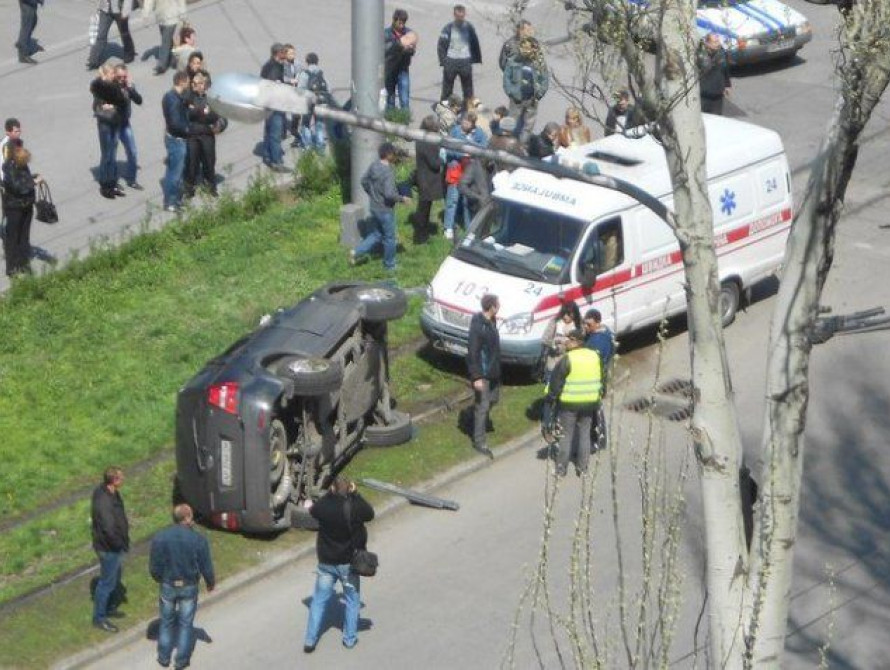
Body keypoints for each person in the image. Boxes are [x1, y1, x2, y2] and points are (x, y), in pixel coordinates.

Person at [303, 476, 375, 653]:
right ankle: (349, 639)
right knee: (352, 600)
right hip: (348, 564)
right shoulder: (354, 507)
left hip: (326, 562)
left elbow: (314, 510)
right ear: (348, 489)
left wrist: (329, 494)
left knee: (318, 600)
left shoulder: (324, 506)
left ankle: (310, 641)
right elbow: (370, 513)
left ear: (333, 489)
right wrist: (356, 494)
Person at [149, 503, 215, 670]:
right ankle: (181, 661)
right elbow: (205, 564)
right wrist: (210, 582)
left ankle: (164, 657)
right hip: (189, 586)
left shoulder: (160, 537)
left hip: (168, 584)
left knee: (166, 622)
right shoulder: (197, 539)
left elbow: (154, 566)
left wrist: (160, 578)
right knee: (186, 624)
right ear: (187, 518)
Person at [543, 329, 603, 477]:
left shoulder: (568, 359)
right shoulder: (595, 356)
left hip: (569, 404)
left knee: (566, 436)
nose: (565, 342)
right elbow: (602, 377)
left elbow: (556, 383)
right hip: (590, 403)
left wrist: (550, 400)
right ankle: (583, 469)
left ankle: (561, 469)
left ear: (576, 341)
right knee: (584, 435)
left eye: (568, 340)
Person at [350, 142, 410, 271]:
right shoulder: (388, 171)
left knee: (376, 235)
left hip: (374, 206)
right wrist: (402, 199)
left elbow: (363, 180)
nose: (394, 156)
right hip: (385, 210)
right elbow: (389, 194)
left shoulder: (373, 166)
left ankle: (356, 252)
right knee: (390, 238)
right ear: (388, 155)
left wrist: (371, 193)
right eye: (393, 153)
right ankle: (390, 265)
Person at [90, 466, 130, 633]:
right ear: (114, 480)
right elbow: (108, 528)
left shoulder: (111, 492)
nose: (124, 479)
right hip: (109, 548)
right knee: (106, 583)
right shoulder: (104, 501)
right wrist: (119, 544)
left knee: (113, 579)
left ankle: (108, 608)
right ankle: (99, 618)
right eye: (121, 477)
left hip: (114, 546)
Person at [499, 21, 549, 139]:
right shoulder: (513, 58)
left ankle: (523, 146)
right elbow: (506, 75)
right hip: (517, 98)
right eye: (524, 48)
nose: (526, 50)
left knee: (528, 125)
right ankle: (509, 143)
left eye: (529, 48)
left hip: (532, 99)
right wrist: (512, 92)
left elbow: (544, 78)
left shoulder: (538, 62)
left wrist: (539, 93)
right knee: (512, 123)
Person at [466, 293, 501, 459]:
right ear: (492, 307)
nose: (499, 306)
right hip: (484, 373)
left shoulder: (492, 322)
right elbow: (473, 353)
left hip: (494, 371)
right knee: (483, 406)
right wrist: (476, 377)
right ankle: (479, 441)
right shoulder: (478, 327)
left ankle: (479, 423)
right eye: (498, 304)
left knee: (494, 399)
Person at [443, 110, 487, 240]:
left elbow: (484, 148)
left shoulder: (479, 133)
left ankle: (470, 229)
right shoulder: (455, 131)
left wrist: (472, 148)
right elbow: (449, 149)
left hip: (471, 171)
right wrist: (462, 153)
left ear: (473, 124)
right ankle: (448, 227)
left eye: (468, 122)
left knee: (468, 201)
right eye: (463, 121)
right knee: (452, 199)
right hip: (457, 169)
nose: (464, 124)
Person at [2, 142, 42, 277]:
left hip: (26, 206)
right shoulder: (9, 168)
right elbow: (18, 187)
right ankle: (12, 267)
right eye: (24, 160)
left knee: (24, 236)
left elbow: (23, 178)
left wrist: (33, 177)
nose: (26, 162)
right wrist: (33, 182)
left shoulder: (22, 165)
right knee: (12, 237)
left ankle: (23, 264)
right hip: (14, 208)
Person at [90, 64, 127, 199]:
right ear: (105, 75)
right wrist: (104, 106)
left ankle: (112, 182)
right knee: (107, 155)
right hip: (105, 124)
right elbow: (96, 106)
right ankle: (105, 185)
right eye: (111, 73)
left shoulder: (115, 85)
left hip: (115, 122)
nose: (114, 75)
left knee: (113, 154)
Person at [184, 72, 222, 198]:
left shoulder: (211, 98)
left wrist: (199, 112)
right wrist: (202, 112)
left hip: (207, 134)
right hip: (193, 134)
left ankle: (211, 185)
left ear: (205, 84)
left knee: (209, 160)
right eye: (194, 83)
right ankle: (190, 188)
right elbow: (188, 114)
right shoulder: (189, 96)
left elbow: (215, 116)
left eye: (199, 83)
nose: (196, 86)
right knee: (191, 162)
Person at [437, 4, 482, 103]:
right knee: (447, 91)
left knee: (468, 91)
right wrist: (444, 61)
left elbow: (475, 43)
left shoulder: (469, 27)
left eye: (462, 16)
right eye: (458, 16)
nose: (460, 18)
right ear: (454, 15)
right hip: (451, 61)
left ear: (465, 14)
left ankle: (468, 114)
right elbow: (441, 45)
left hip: (465, 61)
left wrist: (474, 59)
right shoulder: (448, 28)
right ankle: (445, 111)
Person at [161, 71, 192, 212]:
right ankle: (171, 202)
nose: (189, 84)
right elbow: (175, 123)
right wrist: (187, 130)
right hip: (177, 140)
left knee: (171, 170)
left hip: (171, 138)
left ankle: (170, 199)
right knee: (176, 173)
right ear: (181, 82)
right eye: (187, 82)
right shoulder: (173, 100)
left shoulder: (171, 96)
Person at [584, 308, 614, 451]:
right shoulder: (602, 335)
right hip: (597, 379)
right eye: (585, 324)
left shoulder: (599, 341)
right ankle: (598, 439)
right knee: (595, 411)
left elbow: (596, 362)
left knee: (594, 412)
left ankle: (597, 440)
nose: (586, 327)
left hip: (595, 380)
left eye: (589, 324)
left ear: (597, 323)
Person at [411, 115, 444, 244]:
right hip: (428, 180)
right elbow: (434, 164)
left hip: (422, 177)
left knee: (423, 207)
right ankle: (420, 237)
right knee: (424, 210)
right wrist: (442, 158)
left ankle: (421, 234)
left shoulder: (420, 139)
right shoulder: (429, 143)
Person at [260, 43, 289, 172]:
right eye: (284, 53)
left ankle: (267, 155)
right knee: (275, 134)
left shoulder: (269, 65)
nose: (286, 56)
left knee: (268, 132)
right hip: (275, 105)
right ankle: (277, 162)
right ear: (278, 54)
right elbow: (273, 86)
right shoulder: (274, 68)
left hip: (268, 104)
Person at [114, 64, 143, 191]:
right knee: (111, 154)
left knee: (132, 151)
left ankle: (131, 179)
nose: (121, 79)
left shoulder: (128, 86)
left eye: (124, 76)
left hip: (125, 123)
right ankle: (112, 181)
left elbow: (139, 100)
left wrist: (131, 89)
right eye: (119, 76)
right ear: (115, 75)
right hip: (112, 125)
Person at [86, 0, 136, 70]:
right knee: (101, 34)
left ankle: (130, 53)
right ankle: (94, 60)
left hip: (120, 10)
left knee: (124, 33)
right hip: (105, 9)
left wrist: (126, 11)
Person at [383, 9, 416, 112]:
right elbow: (386, 50)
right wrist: (400, 46)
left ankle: (405, 124)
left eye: (404, 23)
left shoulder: (408, 33)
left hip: (403, 70)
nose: (402, 25)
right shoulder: (386, 33)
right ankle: (390, 123)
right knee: (390, 100)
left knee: (405, 100)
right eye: (400, 22)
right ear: (394, 20)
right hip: (390, 70)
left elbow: (412, 51)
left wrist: (409, 49)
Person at [142, 0, 187, 76]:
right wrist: (146, 15)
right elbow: (149, 1)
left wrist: (183, 15)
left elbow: (180, 1)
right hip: (161, 17)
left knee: (165, 41)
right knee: (168, 40)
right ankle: (174, 60)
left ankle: (162, 65)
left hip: (172, 16)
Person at [296, 53, 329, 154]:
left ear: (307, 61)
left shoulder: (304, 73)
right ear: (317, 61)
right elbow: (327, 87)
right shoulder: (321, 73)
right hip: (320, 102)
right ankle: (320, 146)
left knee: (305, 124)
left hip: (308, 103)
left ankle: (307, 145)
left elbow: (300, 90)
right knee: (319, 124)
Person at [540, 301, 582, 380]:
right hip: (554, 364)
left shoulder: (578, 323)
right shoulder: (555, 322)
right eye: (564, 314)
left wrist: (574, 340)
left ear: (575, 313)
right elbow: (545, 340)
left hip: (571, 364)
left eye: (569, 314)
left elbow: (582, 340)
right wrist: (557, 342)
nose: (565, 317)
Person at [699, 32, 731, 115]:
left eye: (718, 41)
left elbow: (725, 69)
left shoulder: (722, 53)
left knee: (717, 118)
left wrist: (727, 85)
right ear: (707, 43)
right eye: (715, 42)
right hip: (704, 95)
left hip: (718, 95)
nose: (718, 44)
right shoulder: (700, 55)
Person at [15, 0, 43, 65]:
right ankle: (23, 55)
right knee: (26, 27)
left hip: (31, 4)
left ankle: (24, 43)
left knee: (33, 22)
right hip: (27, 3)